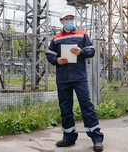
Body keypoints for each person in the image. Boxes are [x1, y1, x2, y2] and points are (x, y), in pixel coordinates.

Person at [46, 9, 104, 152]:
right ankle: (69, 137)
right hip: (63, 78)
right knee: (65, 108)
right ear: (61, 21)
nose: (69, 20)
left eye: (71, 18)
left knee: (86, 106)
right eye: (66, 18)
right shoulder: (56, 38)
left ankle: (97, 138)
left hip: (79, 77)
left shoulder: (82, 35)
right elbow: (49, 54)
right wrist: (56, 60)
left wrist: (81, 52)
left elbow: (91, 51)